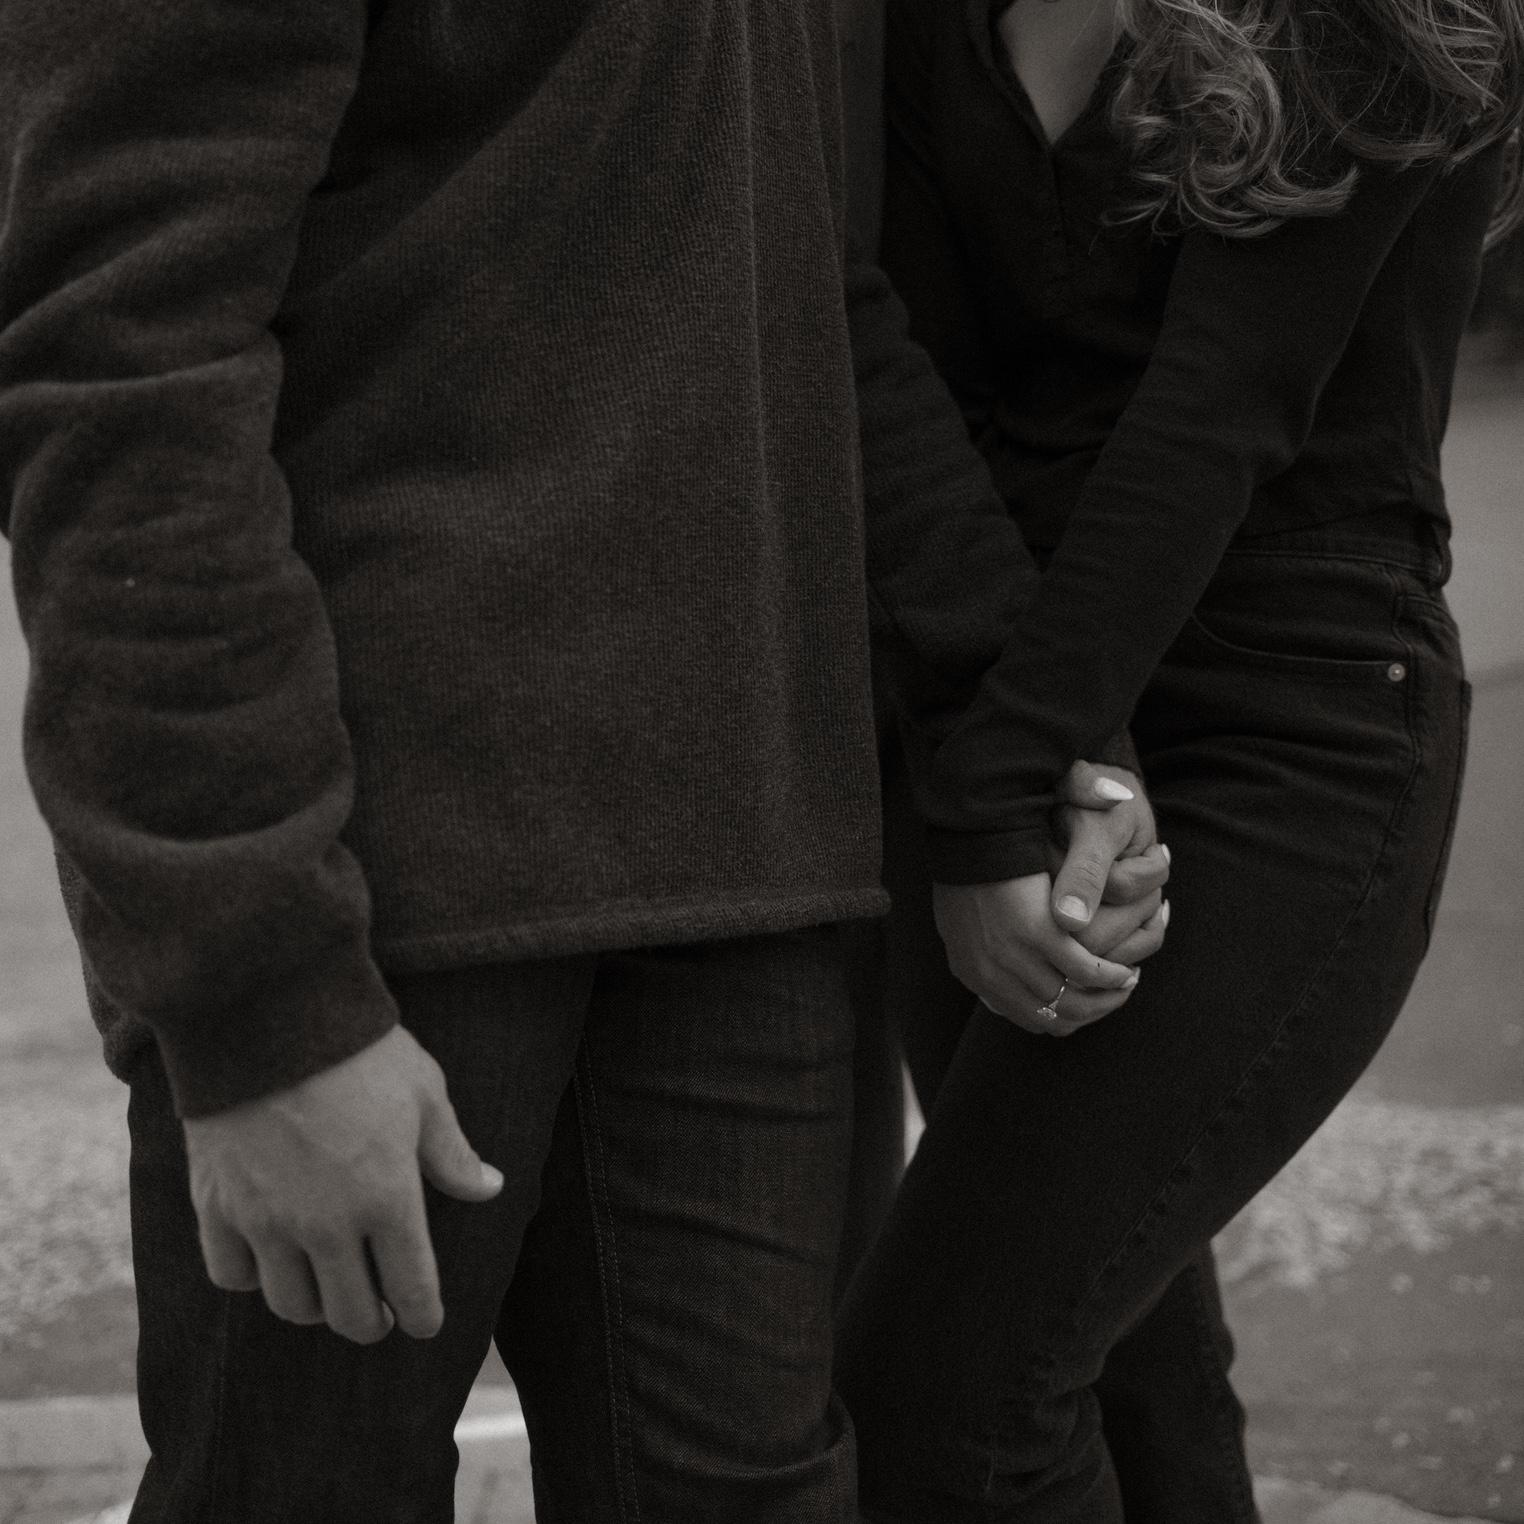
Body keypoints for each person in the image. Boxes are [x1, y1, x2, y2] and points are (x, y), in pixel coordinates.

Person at [0, 2, 1175, 1520]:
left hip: (744, 862)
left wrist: (1009, 737)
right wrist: (255, 995)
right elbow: (119, 365)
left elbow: (805, 292)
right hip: (377, 887)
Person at [835, 0, 1524, 1520]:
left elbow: (1222, 409)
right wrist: (1040, 755)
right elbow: (917, 377)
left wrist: (1009, 793)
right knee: (1122, 1369)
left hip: (1285, 722)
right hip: (1004, 692)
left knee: (943, 1395)